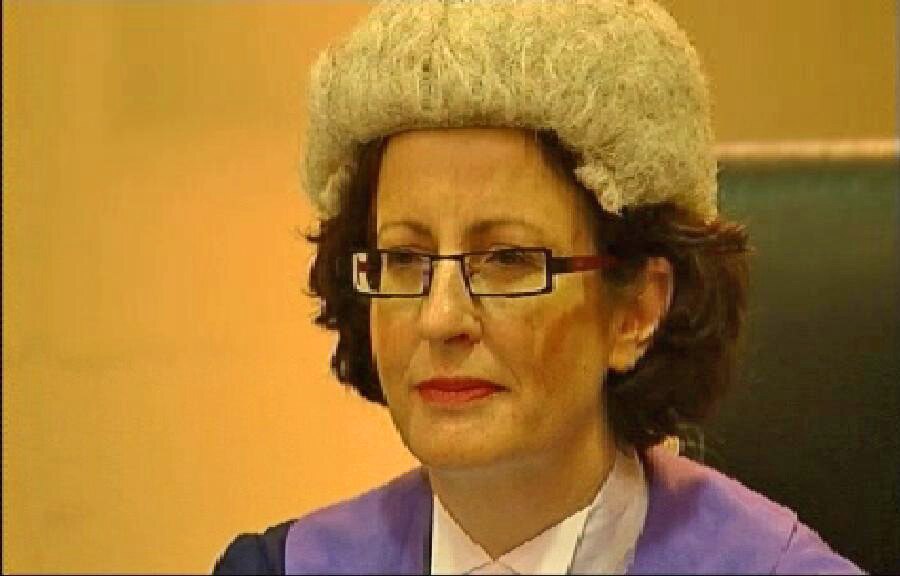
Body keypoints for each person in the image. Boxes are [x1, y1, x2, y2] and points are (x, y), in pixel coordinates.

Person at [214, 1, 863, 574]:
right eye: (406, 258)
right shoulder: (279, 569)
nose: (441, 318)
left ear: (636, 309)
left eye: (506, 259)